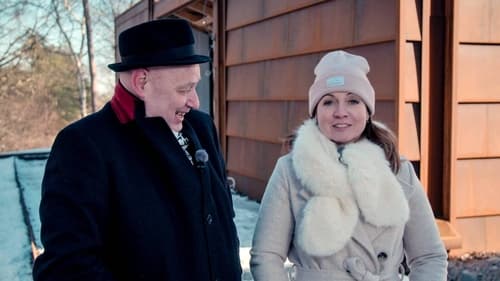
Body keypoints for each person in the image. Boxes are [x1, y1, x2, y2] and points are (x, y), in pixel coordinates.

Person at [33, 19, 242, 281]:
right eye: (184, 89)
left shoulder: (201, 127)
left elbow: (221, 221)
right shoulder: (84, 145)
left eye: (195, 86)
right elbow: (67, 268)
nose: (195, 101)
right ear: (142, 82)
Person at [250, 50, 447, 281]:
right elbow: (266, 256)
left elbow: (430, 256)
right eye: (328, 102)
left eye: (353, 101)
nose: (340, 113)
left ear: (367, 110)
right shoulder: (289, 171)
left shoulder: (399, 170)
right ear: (315, 112)